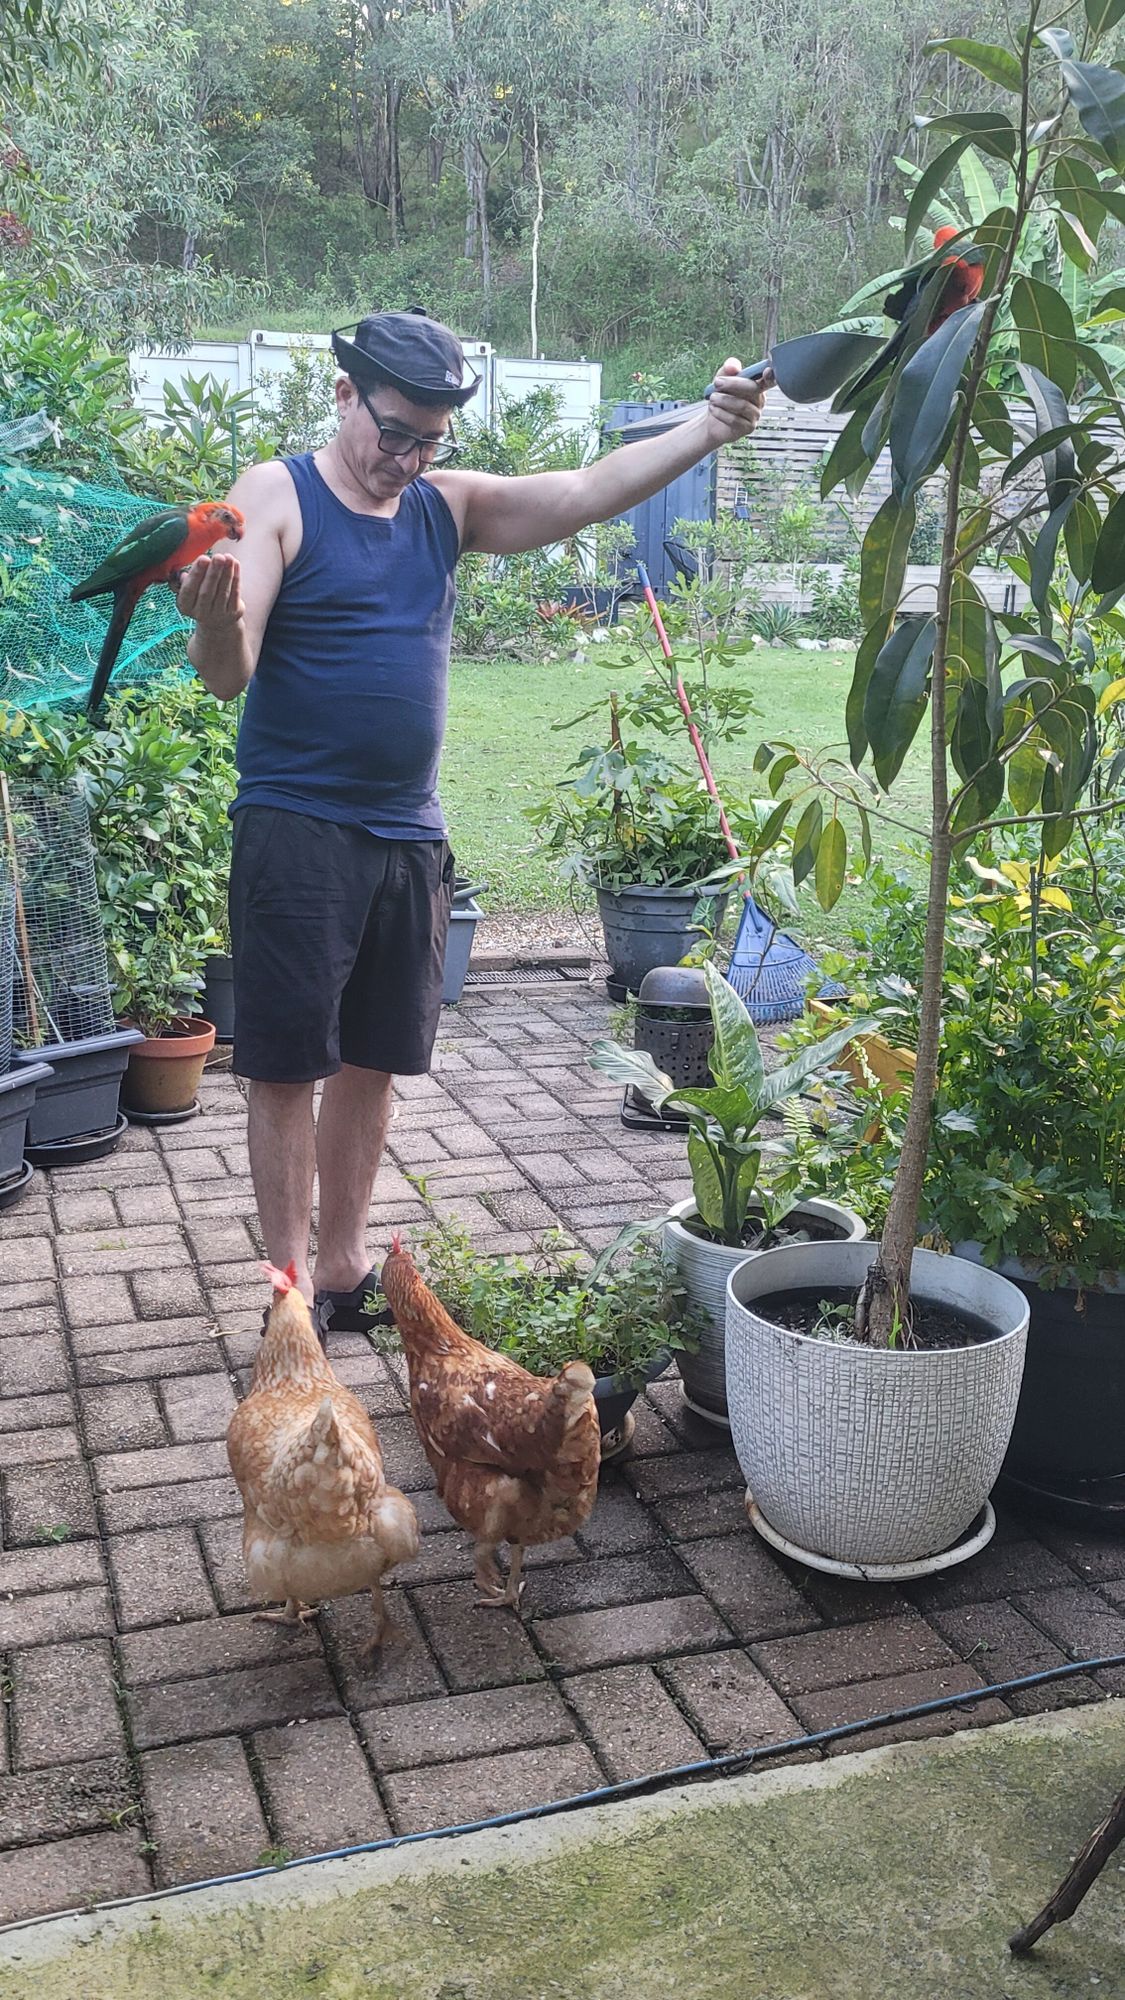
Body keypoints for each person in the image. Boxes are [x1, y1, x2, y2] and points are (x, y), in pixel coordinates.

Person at [177, 306, 769, 1339]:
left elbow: (583, 492)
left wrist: (707, 427)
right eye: (393, 431)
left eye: (429, 440)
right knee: (285, 1065)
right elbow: (229, 675)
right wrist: (217, 621)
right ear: (344, 394)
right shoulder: (277, 493)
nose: (407, 458)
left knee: (373, 1058)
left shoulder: (442, 508)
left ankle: (343, 1266)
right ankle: (287, 1296)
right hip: (297, 828)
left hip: (409, 832)